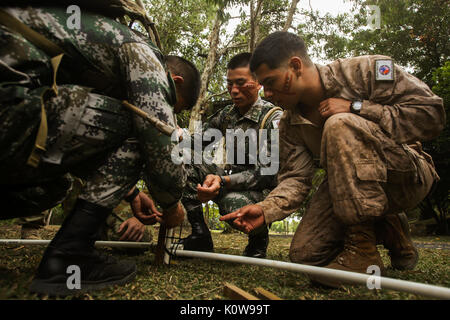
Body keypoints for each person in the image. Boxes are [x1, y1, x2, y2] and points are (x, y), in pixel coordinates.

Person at [0, 4, 200, 295]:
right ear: (174, 82)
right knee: (141, 124)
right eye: (172, 107)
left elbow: (74, 134)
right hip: (10, 111)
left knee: (54, 186)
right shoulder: (145, 54)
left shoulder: (89, 45)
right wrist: (171, 203)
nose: (168, 112)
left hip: (13, 118)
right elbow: (158, 139)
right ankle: (70, 256)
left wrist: (132, 194)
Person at [221, 31, 445, 287]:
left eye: (271, 82)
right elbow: (295, 178)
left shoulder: (367, 70)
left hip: (407, 176)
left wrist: (356, 108)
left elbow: (432, 113)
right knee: (305, 255)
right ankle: (389, 226)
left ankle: (363, 251)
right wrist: (265, 209)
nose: (268, 93)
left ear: (295, 67)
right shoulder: (289, 124)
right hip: (348, 188)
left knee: (339, 124)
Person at [179, 52, 283, 258]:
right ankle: (200, 234)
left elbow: (268, 173)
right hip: (226, 181)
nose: (234, 90)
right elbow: (199, 143)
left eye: (241, 83)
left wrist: (222, 180)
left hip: (261, 190)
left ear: (258, 83)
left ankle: (258, 241)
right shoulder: (227, 114)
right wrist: (178, 136)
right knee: (181, 159)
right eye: (229, 84)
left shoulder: (273, 118)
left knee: (233, 206)